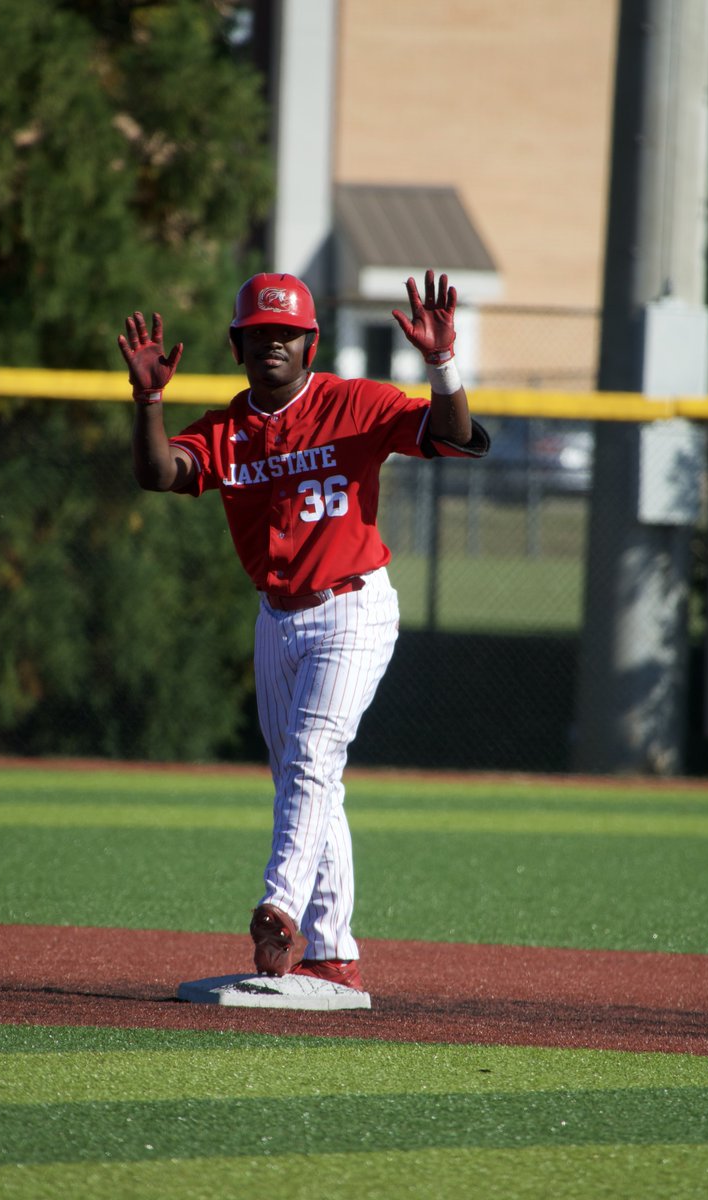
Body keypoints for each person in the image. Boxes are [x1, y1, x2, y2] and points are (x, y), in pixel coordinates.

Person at [118, 268, 490, 992]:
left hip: (353, 607)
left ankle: (280, 909)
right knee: (306, 776)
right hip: (276, 617)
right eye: (259, 334)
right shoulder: (226, 429)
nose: (273, 344)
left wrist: (443, 362)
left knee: (312, 757)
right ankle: (334, 955)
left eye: (286, 333)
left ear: (310, 343)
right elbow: (159, 473)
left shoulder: (354, 402)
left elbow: (452, 436)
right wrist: (148, 400)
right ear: (237, 346)